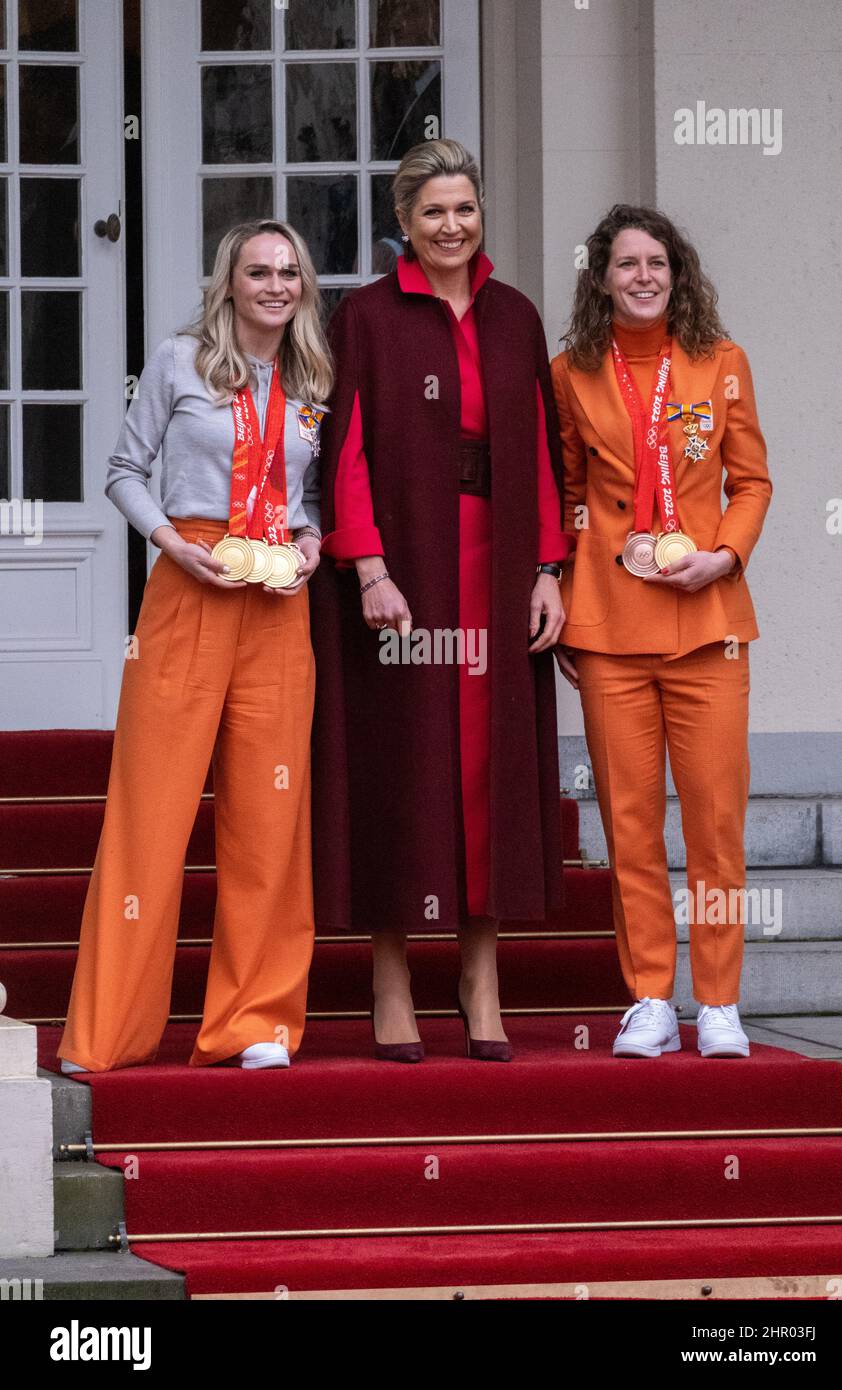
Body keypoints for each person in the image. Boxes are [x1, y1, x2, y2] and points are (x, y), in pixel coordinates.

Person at [312, 139, 574, 1062]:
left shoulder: (516, 317)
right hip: (405, 577)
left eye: (464, 209)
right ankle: (390, 978)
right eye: (432, 213)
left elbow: (543, 454)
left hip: (498, 572)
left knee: (486, 774)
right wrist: (368, 565)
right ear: (403, 222)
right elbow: (341, 451)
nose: (451, 226)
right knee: (405, 770)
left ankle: (479, 975)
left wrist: (549, 569)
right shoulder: (368, 319)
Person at [57, 218, 330, 1073]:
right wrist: (170, 543)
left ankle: (254, 1022)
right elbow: (122, 470)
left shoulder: (312, 377)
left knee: (269, 822)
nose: (276, 285)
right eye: (259, 272)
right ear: (229, 283)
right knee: (152, 810)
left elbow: (311, 495)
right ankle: (108, 1030)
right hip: (189, 584)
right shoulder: (179, 363)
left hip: (278, 602)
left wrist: (314, 544)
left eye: (290, 272)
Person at [551, 204, 772, 1059]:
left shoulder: (722, 364)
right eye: (626, 264)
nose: (642, 277)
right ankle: (649, 995)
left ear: (677, 275)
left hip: (708, 621)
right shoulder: (569, 371)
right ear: (601, 277)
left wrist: (724, 556)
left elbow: (752, 482)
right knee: (630, 825)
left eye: (657, 263)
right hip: (609, 626)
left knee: (717, 823)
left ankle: (718, 1001)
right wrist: (566, 596)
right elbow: (567, 490)